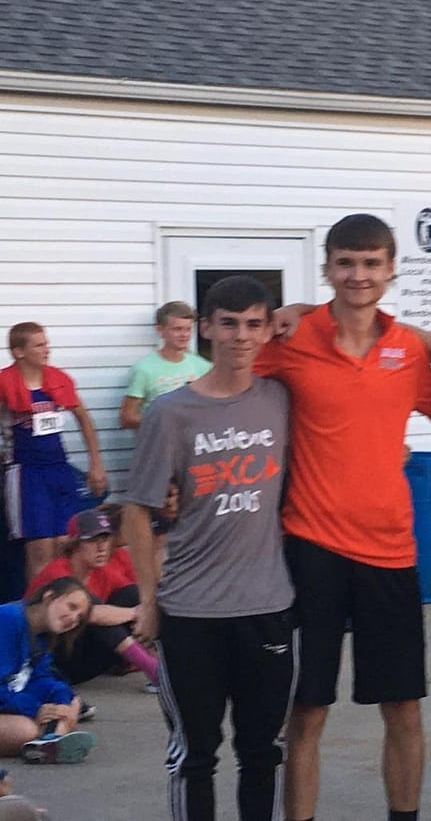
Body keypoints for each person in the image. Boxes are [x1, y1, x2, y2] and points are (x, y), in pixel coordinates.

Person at [255, 213, 431, 821]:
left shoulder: (407, 348)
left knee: (402, 708)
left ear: (391, 269)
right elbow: (230, 380)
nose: (358, 275)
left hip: (390, 550)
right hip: (310, 546)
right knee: (307, 708)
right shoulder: (291, 340)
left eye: (371, 263)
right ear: (327, 268)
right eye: (346, 262)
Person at [123, 274, 295, 821]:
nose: (240, 336)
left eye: (253, 324)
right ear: (205, 330)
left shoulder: (282, 399)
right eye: (228, 324)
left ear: (268, 329)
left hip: (267, 607)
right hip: (191, 612)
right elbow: (136, 508)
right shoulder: (170, 413)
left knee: (262, 754)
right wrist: (149, 599)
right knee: (194, 756)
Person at [0, 323, 107, 581]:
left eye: (46, 343)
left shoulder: (57, 379)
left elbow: (84, 418)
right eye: (39, 345)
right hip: (26, 471)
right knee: (40, 550)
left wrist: (96, 463)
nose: (47, 349)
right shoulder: (5, 383)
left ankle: (66, 606)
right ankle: (36, 613)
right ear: (19, 352)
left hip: (58, 467)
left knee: (65, 544)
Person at [25, 505, 158, 690]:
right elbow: (92, 614)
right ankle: (153, 669)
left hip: (82, 653)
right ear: (75, 544)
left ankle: (162, 665)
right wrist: (137, 613)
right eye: (93, 540)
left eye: (106, 539)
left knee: (132, 593)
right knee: (88, 606)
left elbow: (139, 597)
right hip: (51, 660)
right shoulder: (58, 572)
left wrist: (144, 610)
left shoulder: (103, 571)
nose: (103, 547)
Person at [0, 577, 96, 764]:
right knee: (25, 730)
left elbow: (39, 679)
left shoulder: (41, 637)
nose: (73, 619)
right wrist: (37, 709)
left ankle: (49, 739)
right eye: (71, 607)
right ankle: (49, 738)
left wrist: (60, 702)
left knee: (71, 702)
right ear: (49, 597)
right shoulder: (9, 618)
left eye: (79, 618)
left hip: (8, 699)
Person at [119, 301, 211, 430]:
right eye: (177, 329)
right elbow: (127, 418)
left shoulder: (203, 367)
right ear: (160, 330)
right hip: (159, 446)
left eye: (188, 329)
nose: (184, 335)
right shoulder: (144, 369)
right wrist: (165, 421)